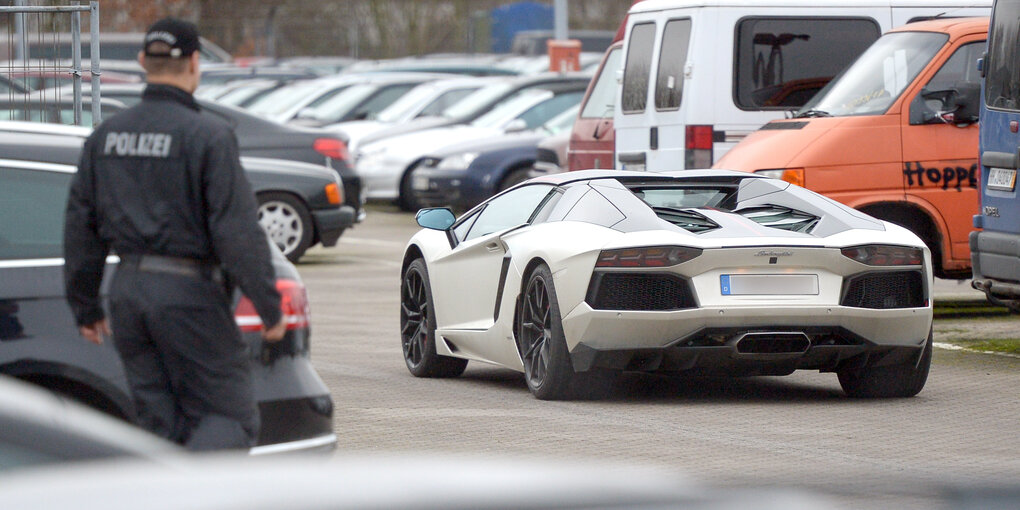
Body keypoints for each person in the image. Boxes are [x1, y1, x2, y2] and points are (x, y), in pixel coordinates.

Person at [64, 17, 286, 451]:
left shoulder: (106, 136)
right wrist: (268, 305)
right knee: (225, 418)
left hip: (128, 295)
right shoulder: (208, 136)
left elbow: (81, 224)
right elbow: (236, 229)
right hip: (190, 298)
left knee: (157, 427)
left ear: (144, 60)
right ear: (195, 63)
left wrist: (85, 304)